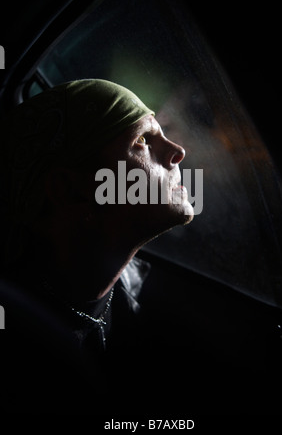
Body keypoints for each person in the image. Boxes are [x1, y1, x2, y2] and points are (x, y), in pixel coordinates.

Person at [0, 79, 194, 413]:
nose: (177, 151)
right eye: (143, 141)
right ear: (70, 191)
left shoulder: (135, 290)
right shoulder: (18, 349)